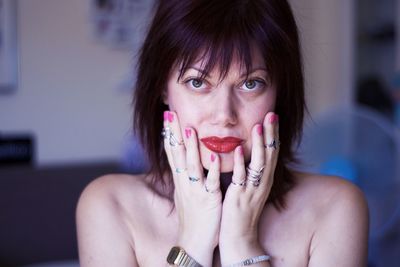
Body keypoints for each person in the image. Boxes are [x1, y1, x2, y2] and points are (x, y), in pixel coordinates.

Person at [76, 0, 369, 266]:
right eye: (197, 82)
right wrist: (192, 242)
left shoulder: (335, 208)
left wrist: (242, 243)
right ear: (162, 88)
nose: (224, 115)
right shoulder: (110, 207)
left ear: (280, 91)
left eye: (251, 84)